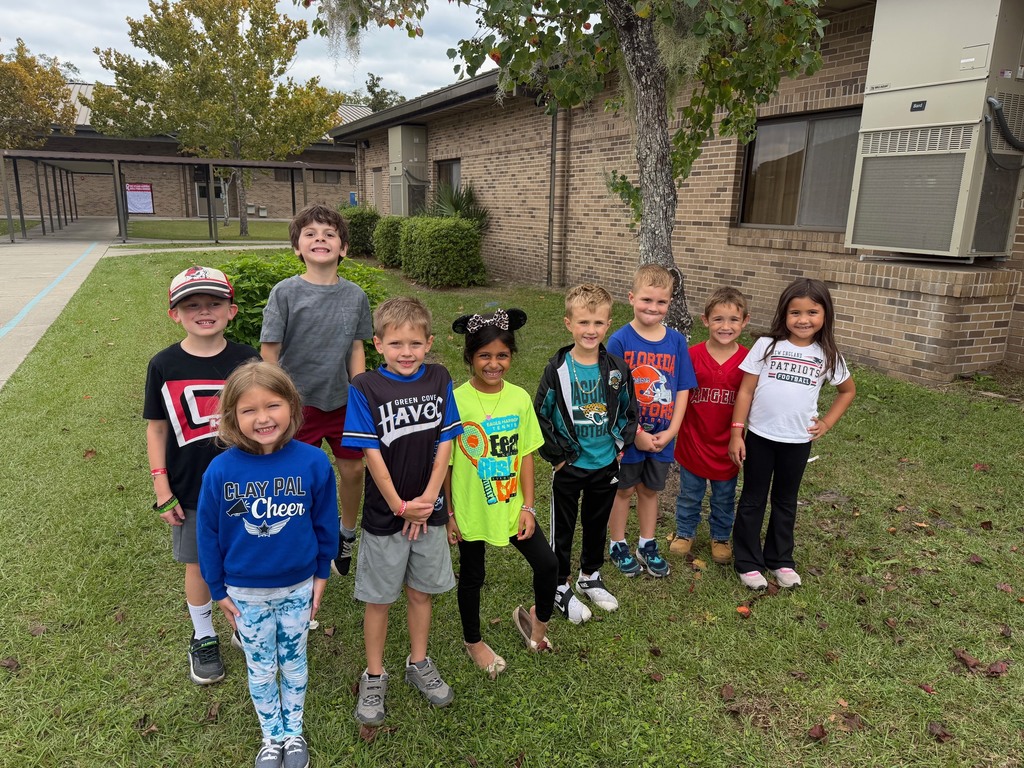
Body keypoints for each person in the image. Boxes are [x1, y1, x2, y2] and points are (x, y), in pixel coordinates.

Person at [197, 361, 339, 768]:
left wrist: (322, 573)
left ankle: (293, 734)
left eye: (273, 405)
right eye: (248, 410)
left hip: (297, 587)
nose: (262, 418)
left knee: (294, 660)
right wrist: (218, 589)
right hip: (245, 594)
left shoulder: (312, 462)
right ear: (231, 417)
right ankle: (270, 737)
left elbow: (324, 523)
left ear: (292, 407)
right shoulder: (220, 470)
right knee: (261, 668)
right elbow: (207, 534)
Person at [342, 297, 463, 727]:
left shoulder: (439, 378)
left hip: (428, 512)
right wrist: (398, 505)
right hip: (385, 513)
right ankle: (374, 674)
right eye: (396, 344)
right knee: (379, 599)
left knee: (421, 592)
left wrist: (429, 499)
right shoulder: (366, 388)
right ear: (377, 344)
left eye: (415, 343)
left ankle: (419, 662)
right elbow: (369, 452)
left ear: (430, 342)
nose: (406, 352)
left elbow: (446, 441)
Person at [144, 266, 258, 686]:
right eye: (192, 305)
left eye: (214, 303)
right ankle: (204, 634)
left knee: (243, 555)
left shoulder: (247, 358)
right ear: (175, 314)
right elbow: (157, 427)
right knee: (198, 563)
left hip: (246, 483)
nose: (204, 311)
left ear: (232, 310)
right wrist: (161, 483)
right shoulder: (164, 364)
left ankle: (241, 624)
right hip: (190, 485)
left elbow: (264, 414)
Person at [260, 202, 372, 578]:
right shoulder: (284, 293)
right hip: (297, 407)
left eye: (329, 234)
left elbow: (357, 348)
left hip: (342, 403)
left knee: (353, 470)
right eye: (310, 234)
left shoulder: (355, 295)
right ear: (297, 247)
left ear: (343, 248)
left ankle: (346, 534)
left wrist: (361, 395)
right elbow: (269, 353)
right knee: (296, 476)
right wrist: (276, 403)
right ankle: (301, 536)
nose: (320, 239)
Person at [446, 308, 558, 678]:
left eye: (502, 355)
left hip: (511, 505)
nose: (494, 364)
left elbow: (526, 454)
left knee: (547, 564)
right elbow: (445, 464)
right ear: (470, 357)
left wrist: (529, 506)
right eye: (484, 356)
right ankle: (473, 640)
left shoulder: (520, 399)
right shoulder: (456, 401)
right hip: (471, 508)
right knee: (473, 576)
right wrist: (449, 513)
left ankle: (536, 625)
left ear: (511, 356)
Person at [728, 278, 856, 590]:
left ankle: (780, 560)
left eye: (812, 312)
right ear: (784, 314)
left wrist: (826, 423)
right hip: (759, 436)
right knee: (753, 498)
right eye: (795, 312)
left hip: (797, 441)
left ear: (825, 315)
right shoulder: (767, 345)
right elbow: (745, 391)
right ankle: (747, 562)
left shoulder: (827, 353)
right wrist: (736, 432)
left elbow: (847, 391)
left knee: (785, 500)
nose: (803, 319)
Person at [535, 284, 637, 624]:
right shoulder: (557, 369)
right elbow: (541, 414)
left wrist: (620, 445)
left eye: (597, 323)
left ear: (608, 324)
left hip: (605, 463)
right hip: (571, 465)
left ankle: (589, 575)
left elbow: (628, 411)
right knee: (563, 527)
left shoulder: (617, 370)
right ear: (568, 323)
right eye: (582, 323)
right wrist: (558, 456)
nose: (589, 330)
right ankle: (559, 583)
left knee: (596, 522)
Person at [607, 265, 697, 578]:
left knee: (649, 490)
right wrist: (637, 434)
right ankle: (617, 543)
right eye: (646, 299)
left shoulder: (675, 342)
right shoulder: (619, 341)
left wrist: (672, 430)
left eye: (661, 302)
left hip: (663, 436)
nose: (653, 308)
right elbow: (614, 395)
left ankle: (647, 544)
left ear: (669, 303)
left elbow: (683, 388)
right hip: (630, 436)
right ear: (631, 298)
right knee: (624, 490)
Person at [672, 286, 750, 565]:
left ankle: (720, 537)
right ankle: (684, 532)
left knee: (724, 497)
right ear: (705, 320)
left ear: (745, 322)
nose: (725, 326)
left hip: (727, 445)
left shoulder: (749, 360)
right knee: (689, 494)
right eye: (718, 319)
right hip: (694, 441)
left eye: (733, 320)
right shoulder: (691, 356)